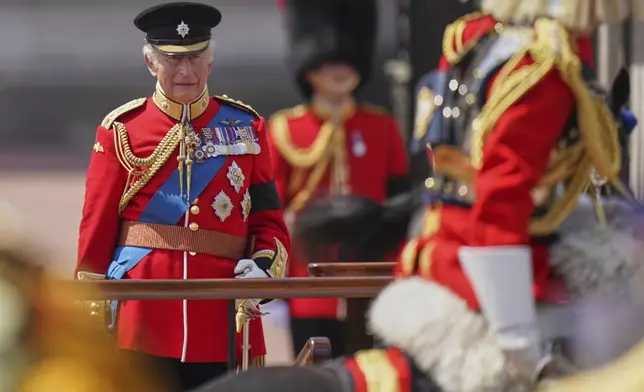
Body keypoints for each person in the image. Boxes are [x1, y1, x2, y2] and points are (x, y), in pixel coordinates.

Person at [74, 2, 290, 391]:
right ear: (150, 63)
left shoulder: (246, 126)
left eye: (196, 58)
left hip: (220, 314)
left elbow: (268, 220)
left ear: (211, 61)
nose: (186, 72)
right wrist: (90, 306)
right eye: (172, 60)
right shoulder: (122, 130)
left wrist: (262, 267)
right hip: (144, 316)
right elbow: (96, 228)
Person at [268, 0, 410, 358]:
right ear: (310, 67)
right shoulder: (286, 129)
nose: (340, 71)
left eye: (346, 62)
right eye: (330, 63)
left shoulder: (382, 127)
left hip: (371, 270)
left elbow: (397, 200)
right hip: (310, 277)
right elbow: (272, 210)